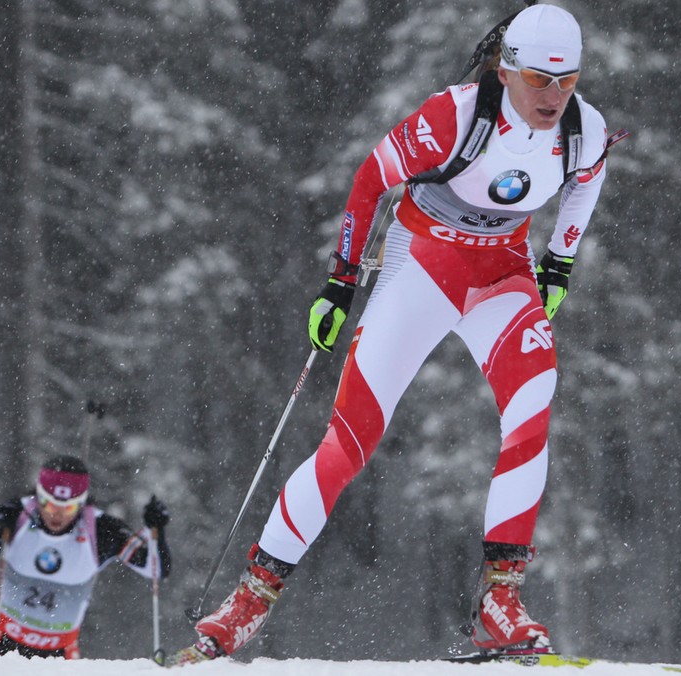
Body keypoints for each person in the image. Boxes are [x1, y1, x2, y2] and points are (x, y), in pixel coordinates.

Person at [163, 3, 612, 665]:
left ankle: (499, 603)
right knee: (350, 440)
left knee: (533, 403)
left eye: (567, 80)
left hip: (502, 272)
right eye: (540, 80)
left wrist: (560, 261)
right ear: (507, 68)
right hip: (422, 265)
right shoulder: (454, 116)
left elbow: (584, 184)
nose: (554, 96)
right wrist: (340, 283)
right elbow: (372, 179)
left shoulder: (583, 130)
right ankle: (247, 602)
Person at [0, 454, 172, 658]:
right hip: (1, 640)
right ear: (39, 496)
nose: (57, 514)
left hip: (60, 651)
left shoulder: (100, 530)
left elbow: (157, 570)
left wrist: (156, 531)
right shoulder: (16, 514)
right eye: (49, 504)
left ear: (81, 503)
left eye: (68, 507)